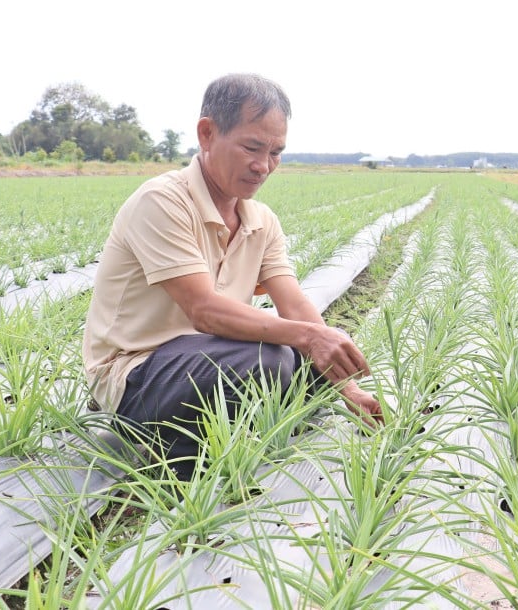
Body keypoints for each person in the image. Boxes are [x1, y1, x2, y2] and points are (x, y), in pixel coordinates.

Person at [82, 73, 383, 477]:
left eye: (276, 152)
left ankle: (223, 431)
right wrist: (310, 338)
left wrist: (347, 388)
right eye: (252, 147)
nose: (264, 166)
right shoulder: (162, 201)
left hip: (207, 357)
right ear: (207, 133)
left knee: (302, 362)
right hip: (137, 369)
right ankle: (179, 454)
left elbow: (292, 303)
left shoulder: (261, 220)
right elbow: (204, 311)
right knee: (273, 358)